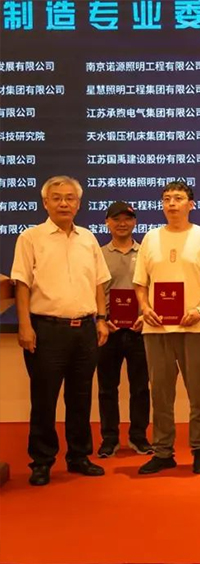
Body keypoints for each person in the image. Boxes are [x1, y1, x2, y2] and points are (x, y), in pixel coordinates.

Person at [12, 176, 111, 486]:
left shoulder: (88, 238)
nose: (64, 203)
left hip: (84, 329)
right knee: (44, 399)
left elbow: (98, 282)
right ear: (46, 203)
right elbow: (22, 284)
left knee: (80, 397)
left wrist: (101, 318)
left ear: (78, 204)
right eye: (57, 198)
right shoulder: (30, 237)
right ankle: (42, 461)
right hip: (46, 330)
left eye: (70, 198)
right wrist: (25, 325)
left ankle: (79, 456)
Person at [133, 181, 200, 475]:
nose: (172, 203)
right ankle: (163, 451)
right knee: (160, 394)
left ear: (191, 204)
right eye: (167, 199)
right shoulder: (151, 238)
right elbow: (140, 283)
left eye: (179, 198)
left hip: (196, 327)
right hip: (157, 328)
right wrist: (145, 308)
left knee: (199, 394)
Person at [96, 202, 152, 458]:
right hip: (107, 330)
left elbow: (153, 287)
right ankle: (109, 439)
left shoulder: (146, 253)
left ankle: (139, 437)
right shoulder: (98, 254)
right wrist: (101, 319)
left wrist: (145, 315)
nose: (122, 223)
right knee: (107, 388)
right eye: (116, 219)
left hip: (139, 329)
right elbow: (92, 290)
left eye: (127, 219)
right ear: (107, 222)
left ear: (135, 222)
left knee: (140, 388)